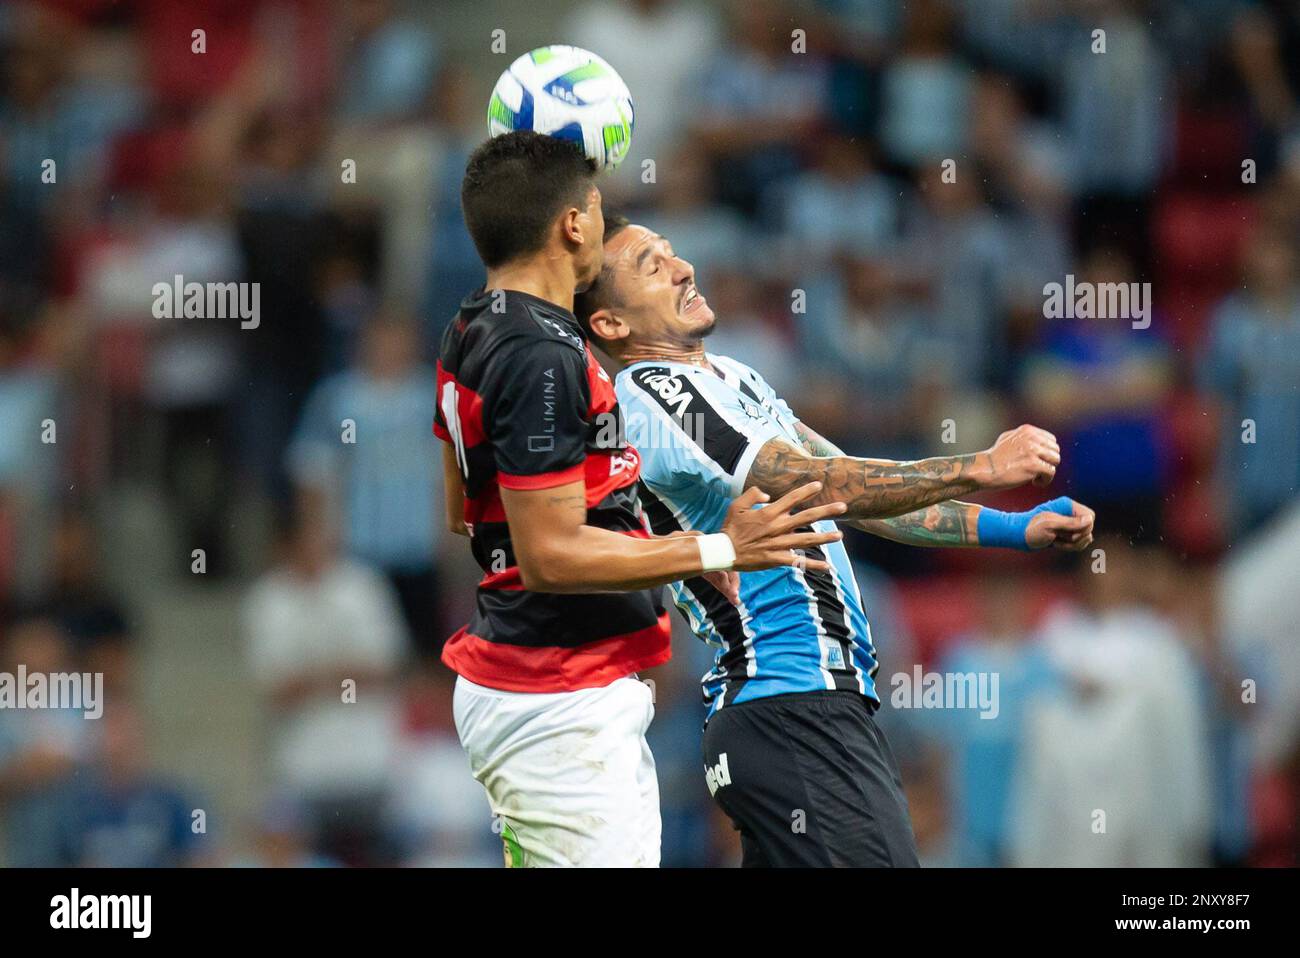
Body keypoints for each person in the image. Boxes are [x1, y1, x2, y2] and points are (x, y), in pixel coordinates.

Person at [573, 217, 1096, 867]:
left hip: (799, 713)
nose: (684, 269)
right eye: (653, 266)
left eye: (676, 254)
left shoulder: (735, 380)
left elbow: (851, 495)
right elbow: (807, 477)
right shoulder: (654, 391)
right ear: (611, 326)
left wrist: (1013, 528)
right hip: (791, 707)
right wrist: (978, 464)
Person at [434, 131, 847, 868]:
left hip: (532, 684)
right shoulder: (544, 357)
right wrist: (722, 546)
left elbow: (464, 510)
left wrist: (662, 550)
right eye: (595, 206)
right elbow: (551, 555)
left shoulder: (471, 324)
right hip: (556, 696)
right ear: (573, 225)